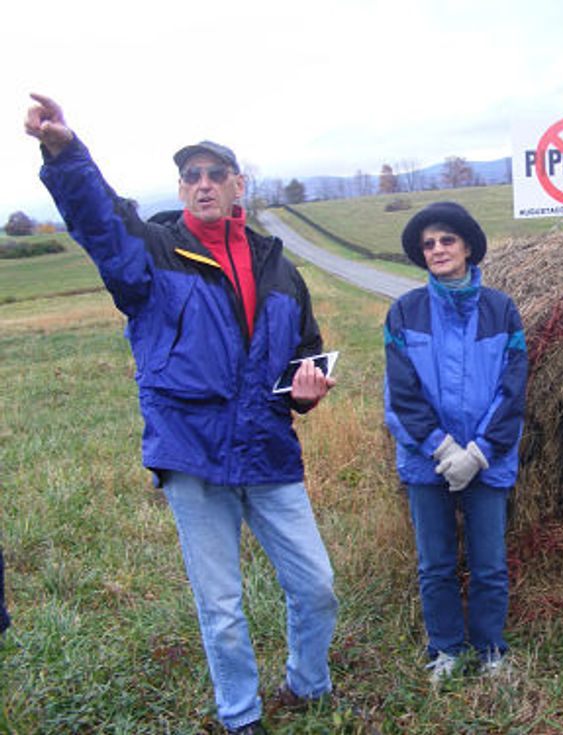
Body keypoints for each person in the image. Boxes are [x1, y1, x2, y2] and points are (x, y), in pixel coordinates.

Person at [25, 94, 339, 735]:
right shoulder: (150, 256)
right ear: (181, 187)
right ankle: (240, 713)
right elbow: (97, 218)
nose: (202, 184)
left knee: (317, 587)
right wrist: (65, 152)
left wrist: (308, 387)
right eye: (190, 175)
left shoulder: (278, 266)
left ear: (236, 185)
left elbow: (305, 352)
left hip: (268, 448)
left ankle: (308, 684)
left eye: (214, 174)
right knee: (220, 603)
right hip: (191, 450)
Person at [383, 202, 528, 684]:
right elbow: (402, 394)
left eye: (447, 240)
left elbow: (513, 389)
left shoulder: (501, 309)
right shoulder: (404, 312)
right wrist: (443, 450)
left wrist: (481, 451)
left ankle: (490, 650)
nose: (438, 249)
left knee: (488, 564)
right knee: (436, 564)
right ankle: (445, 649)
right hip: (428, 463)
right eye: (429, 244)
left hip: (488, 461)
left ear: (467, 247)